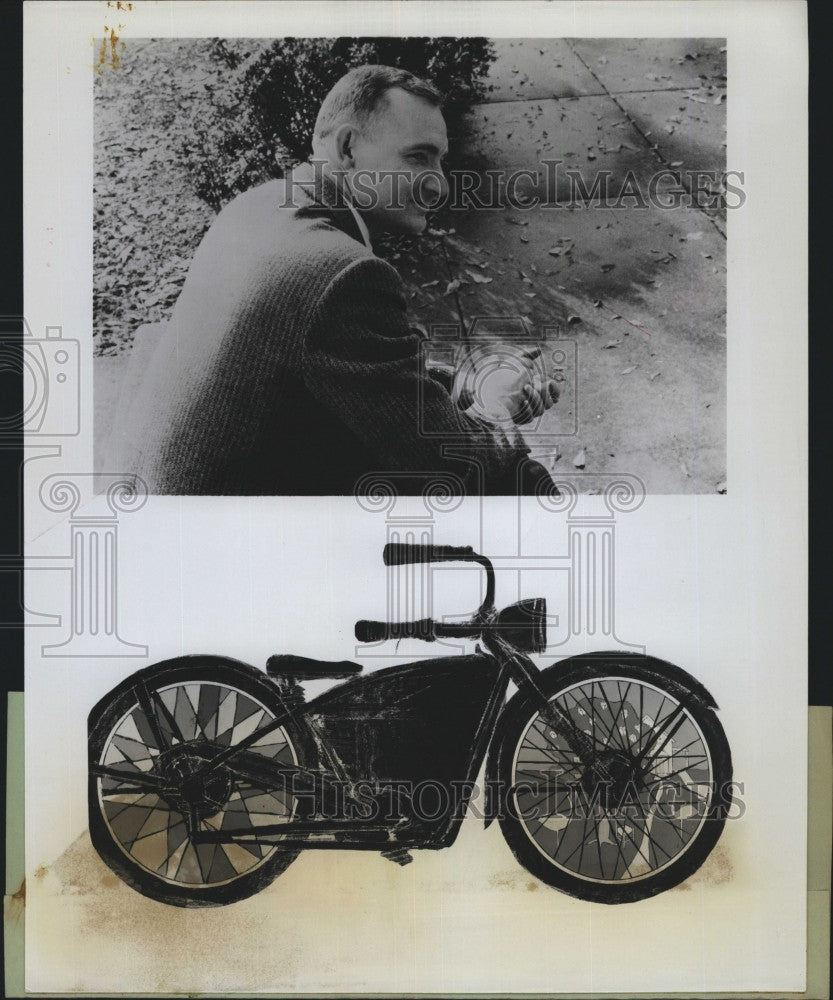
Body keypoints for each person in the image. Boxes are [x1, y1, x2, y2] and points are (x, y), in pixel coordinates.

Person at [106, 64, 559, 495]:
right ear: (347, 149)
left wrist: (461, 386)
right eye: (418, 158)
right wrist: (496, 405)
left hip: (153, 495)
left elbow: (356, 367)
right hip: (213, 544)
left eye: (439, 161)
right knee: (515, 476)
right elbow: (454, 463)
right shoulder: (345, 275)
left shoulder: (258, 204)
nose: (439, 185)